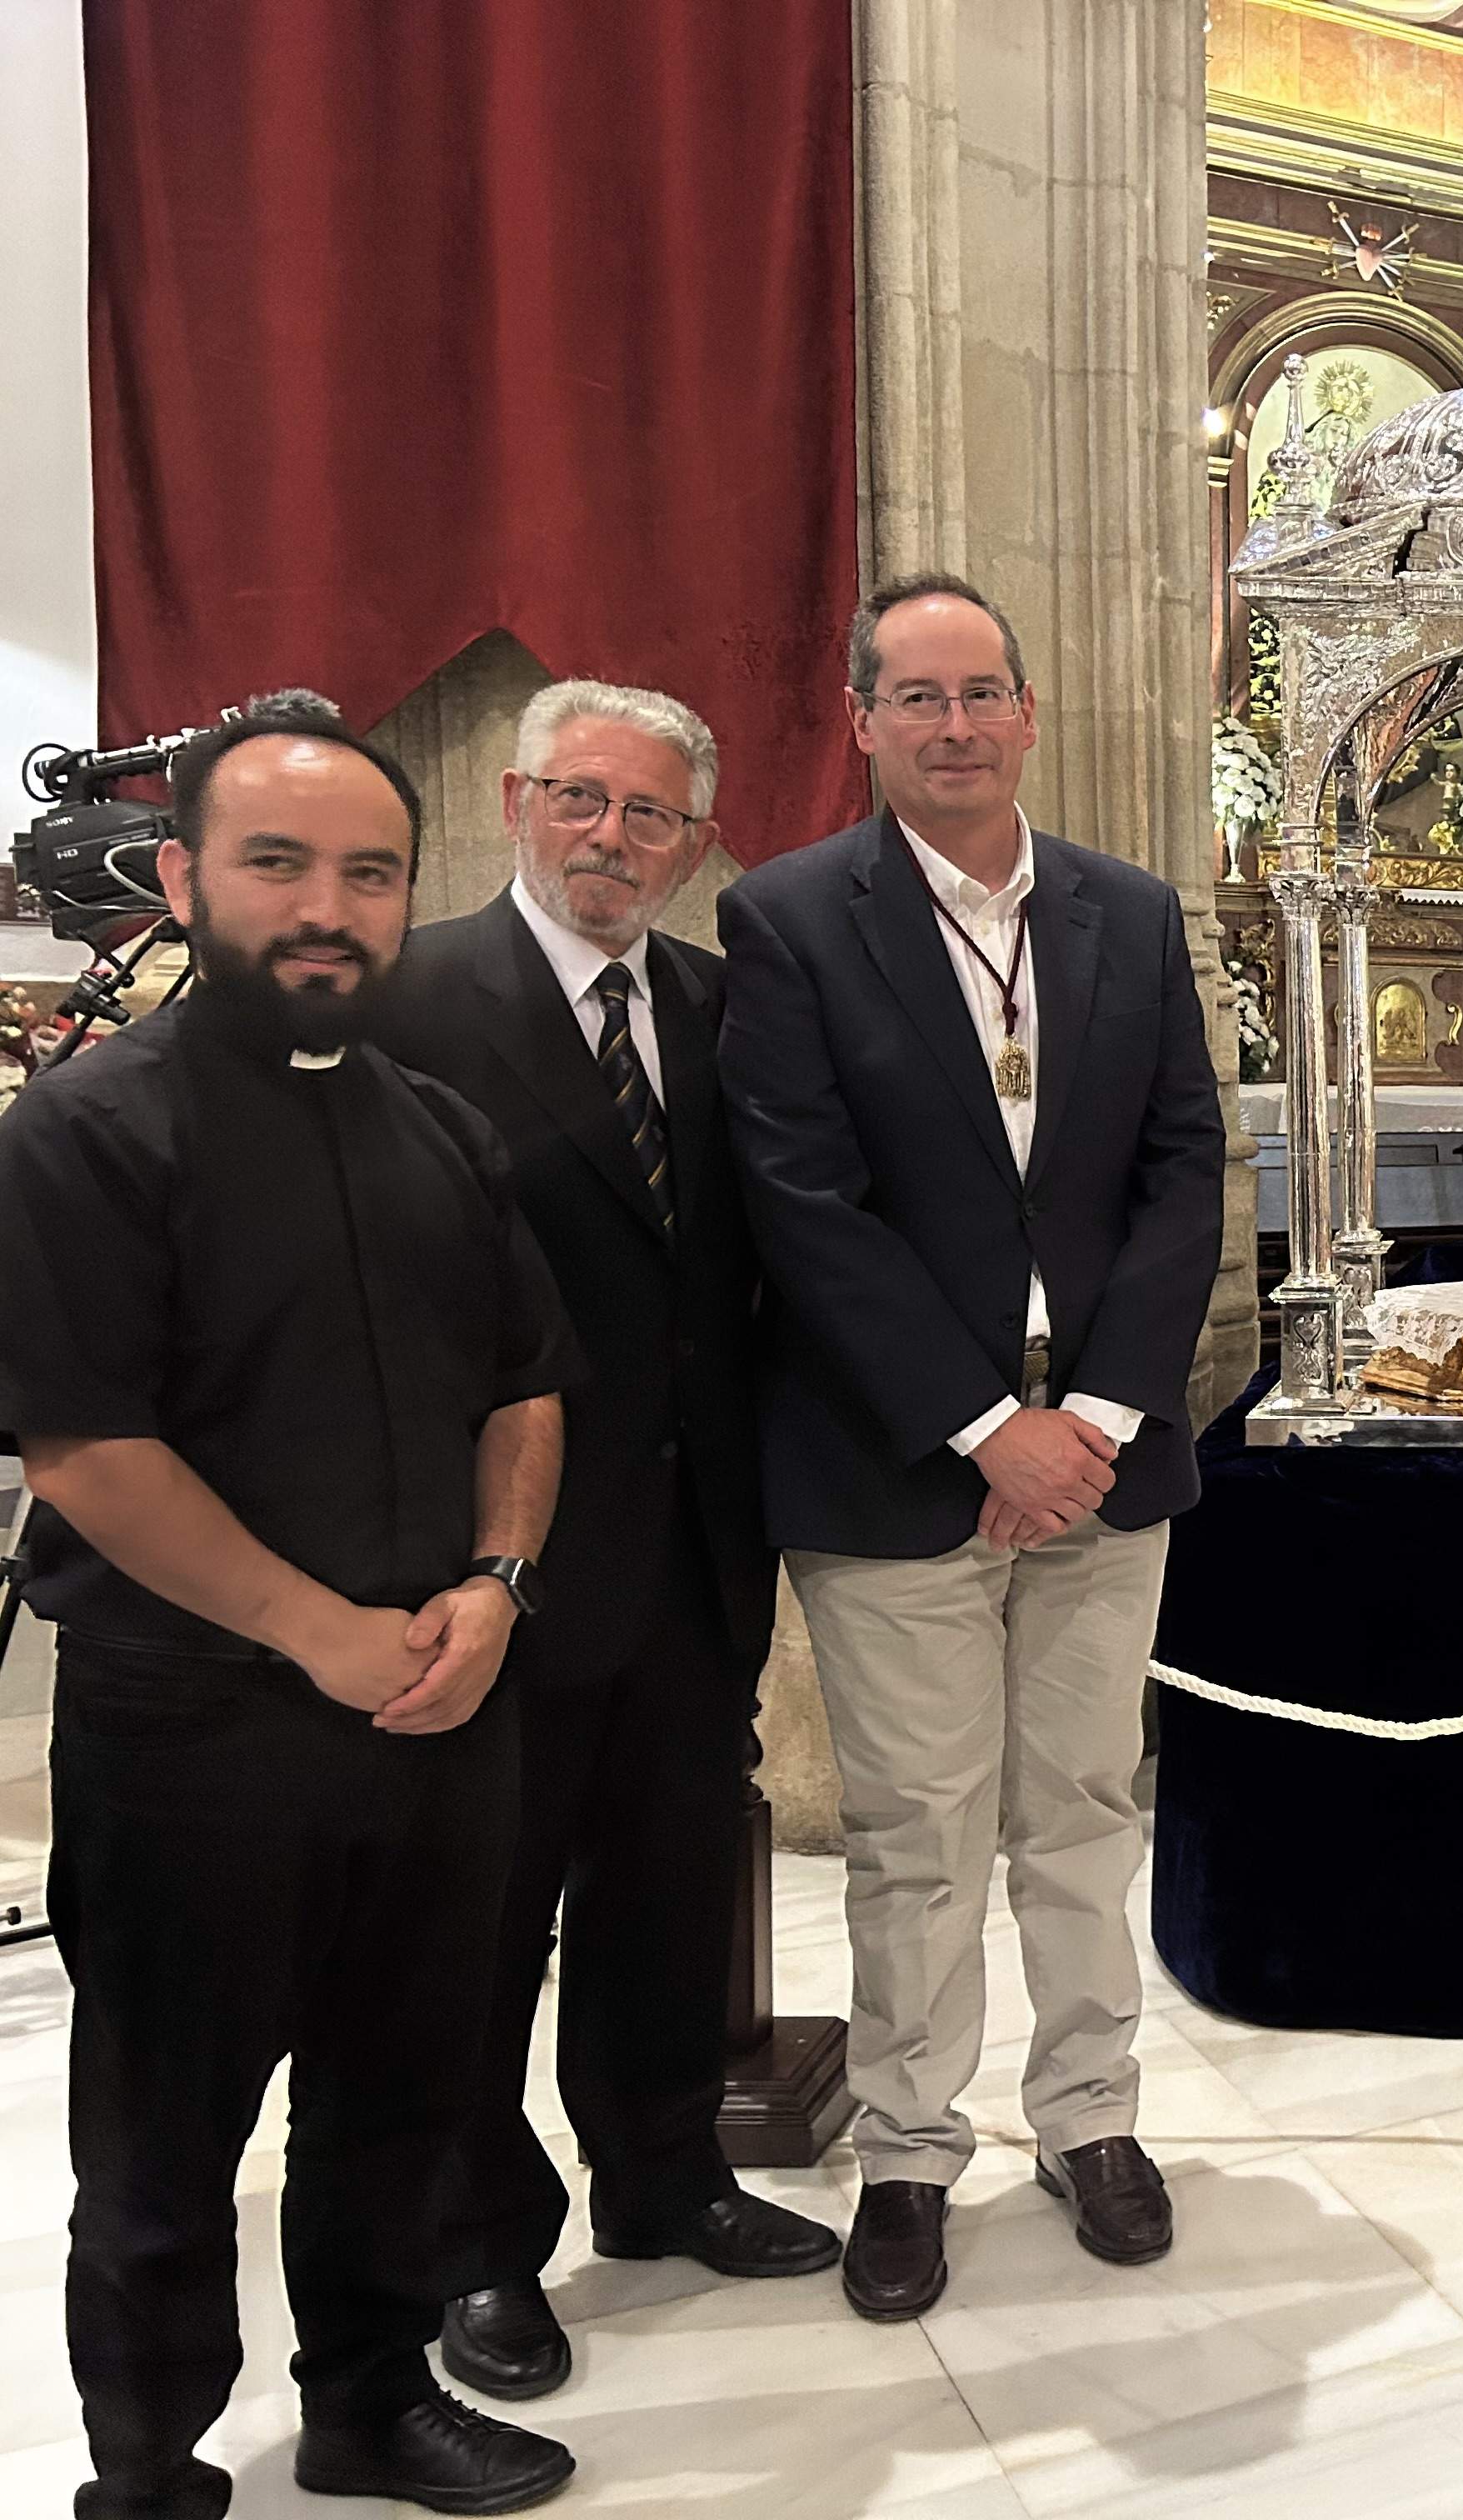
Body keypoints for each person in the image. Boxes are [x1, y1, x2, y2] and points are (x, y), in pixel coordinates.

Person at [0, 698, 582, 2517]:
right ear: (180, 877)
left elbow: (524, 1385)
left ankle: (370, 2398)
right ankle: (151, 2471)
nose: (323, 906)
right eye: (276, 863)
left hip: (436, 1700)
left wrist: (492, 1590)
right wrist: (321, 1631)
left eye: (367, 873)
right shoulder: (87, 1133)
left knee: (401, 2091)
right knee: (167, 2141)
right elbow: (87, 1450)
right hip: (196, 1725)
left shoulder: (439, 1125)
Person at [718, 573, 1226, 2322]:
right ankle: (913, 2153)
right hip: (895, 1456)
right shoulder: (787, 923)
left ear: (1027, 712)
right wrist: (979, 1425)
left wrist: (1085, 1421)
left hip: (1099, 1455)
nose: (953, 725)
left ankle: (1092, 2122)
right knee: (920, 1830)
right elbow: (804, 1204)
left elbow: (1184, 1174)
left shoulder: (1127, 914)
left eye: (980, 693)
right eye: (915, 697)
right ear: (864, 721)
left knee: (1083, 1812)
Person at [377, 680, 838, 2406]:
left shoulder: (724, 1005)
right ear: (515, 800)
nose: (612, 840)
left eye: (650, 817)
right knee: (476, 1926)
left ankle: (665, 2178)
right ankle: (475, 2244)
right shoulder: (415, 995)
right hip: (491, 1558)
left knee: (662, 1892)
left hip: (696, 1546)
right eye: (583, 801)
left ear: (698, 844)